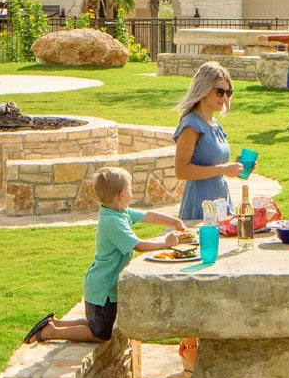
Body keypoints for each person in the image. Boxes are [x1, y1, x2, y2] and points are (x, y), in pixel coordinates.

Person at [26, 167, 189, 345]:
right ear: (122, 195)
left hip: (100, 285)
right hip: (104, 289)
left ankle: (56, 323)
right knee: (100, 334)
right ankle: (51, 332)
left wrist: (174, 221)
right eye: (130, 189)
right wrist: (166, 243)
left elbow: (148, 216)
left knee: (97, 323)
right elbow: (139, 246)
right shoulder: (113, 222)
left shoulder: (119, 212)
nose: (132, 193)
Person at [173, 62, 243, 223]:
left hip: (221, 201)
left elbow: (214, 164)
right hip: (200, 204)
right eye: (220, 92)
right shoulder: (191, 125)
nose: (224, 98)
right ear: (204, 89)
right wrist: (223, 169)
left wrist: (236, 167)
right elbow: (181, 171)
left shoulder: (215, 124)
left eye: (228, 93)